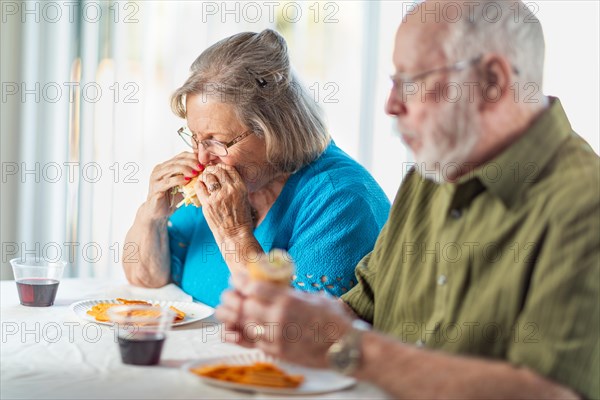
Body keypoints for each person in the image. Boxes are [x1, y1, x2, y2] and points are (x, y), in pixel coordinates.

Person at [216, 2, 599, 398]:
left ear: (493, 81)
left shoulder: (584, 201)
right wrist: (286, 322)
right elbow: (364, 307)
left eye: (411, 83)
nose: (391, 105)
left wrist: (347, 347)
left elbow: (554, 393)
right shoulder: (431, 173)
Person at [122, 29, 390, 307]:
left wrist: (235, 234)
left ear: (275, 130)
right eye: (195, 137)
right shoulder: (224, 181)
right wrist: (151, 214)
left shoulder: (342, 200)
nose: (201, 158)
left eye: (217, 141)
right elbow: (146, 278)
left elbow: (297, 333)